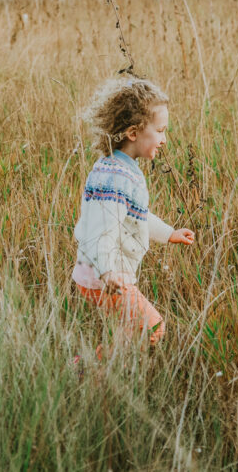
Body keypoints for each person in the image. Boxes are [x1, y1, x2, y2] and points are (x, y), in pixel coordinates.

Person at [71, 77, 195, 351]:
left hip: (97, 273)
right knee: (152, 327)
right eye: (160, 131)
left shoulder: (114, 168)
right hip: (104, 275)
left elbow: (135, 217)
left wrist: (169, 234)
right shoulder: (117, 177)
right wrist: (107, 270)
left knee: (129, 331)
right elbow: (102, 229)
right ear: (133, 132)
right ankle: (88, 371)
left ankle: (101, 372)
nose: (164, 140)